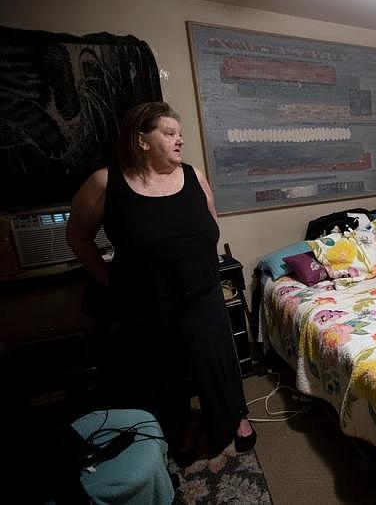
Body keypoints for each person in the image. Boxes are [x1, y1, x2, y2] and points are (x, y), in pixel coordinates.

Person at [66, 101, 255, 464]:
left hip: (202, 291)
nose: (179, 140)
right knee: (159, 372)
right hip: (145, 299)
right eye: (169, 134)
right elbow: (77, 237)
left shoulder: (193, 176)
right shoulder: (107, 183)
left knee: (217, 362)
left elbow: (211, 227)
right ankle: (175, 426)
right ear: (142, 140)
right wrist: (106, 278)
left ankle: (234, 418)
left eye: (179, 134)